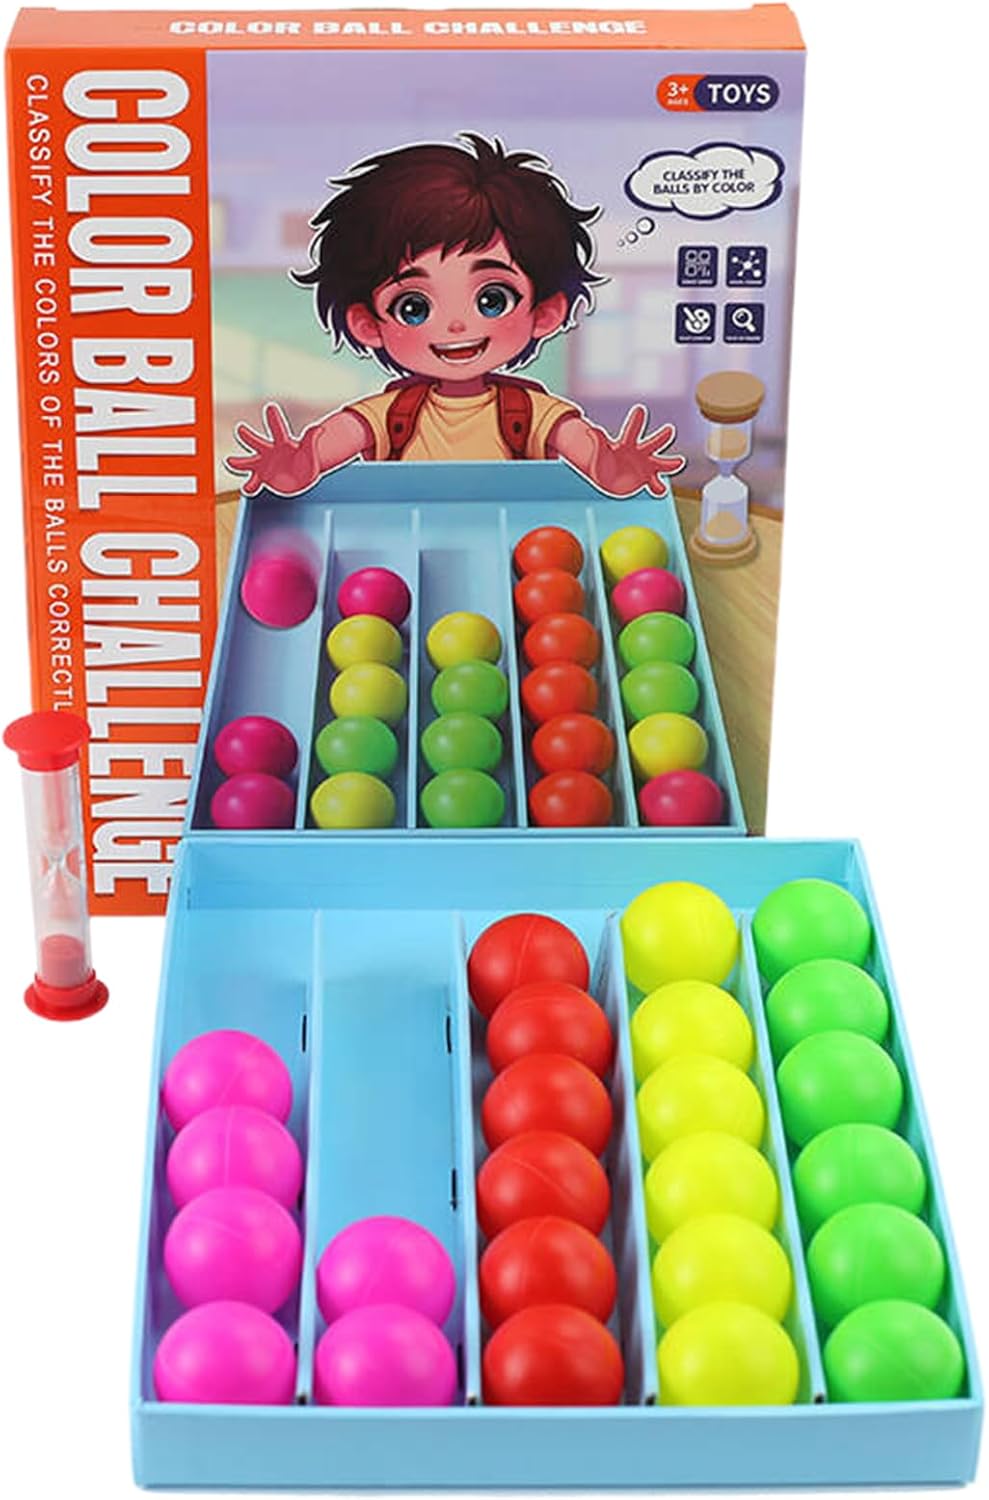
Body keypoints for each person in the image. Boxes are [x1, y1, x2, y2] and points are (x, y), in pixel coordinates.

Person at [228, 134, 683, 498]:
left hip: (520, 549)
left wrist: (616, 472)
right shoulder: (393, 414)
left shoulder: (527, 412)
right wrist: (295, 468)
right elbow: (327, 447)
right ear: (368, 324)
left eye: (492, 299)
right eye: (414, 307)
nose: (456, 326)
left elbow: (587, 453)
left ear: (545, 313)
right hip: (405, 545)